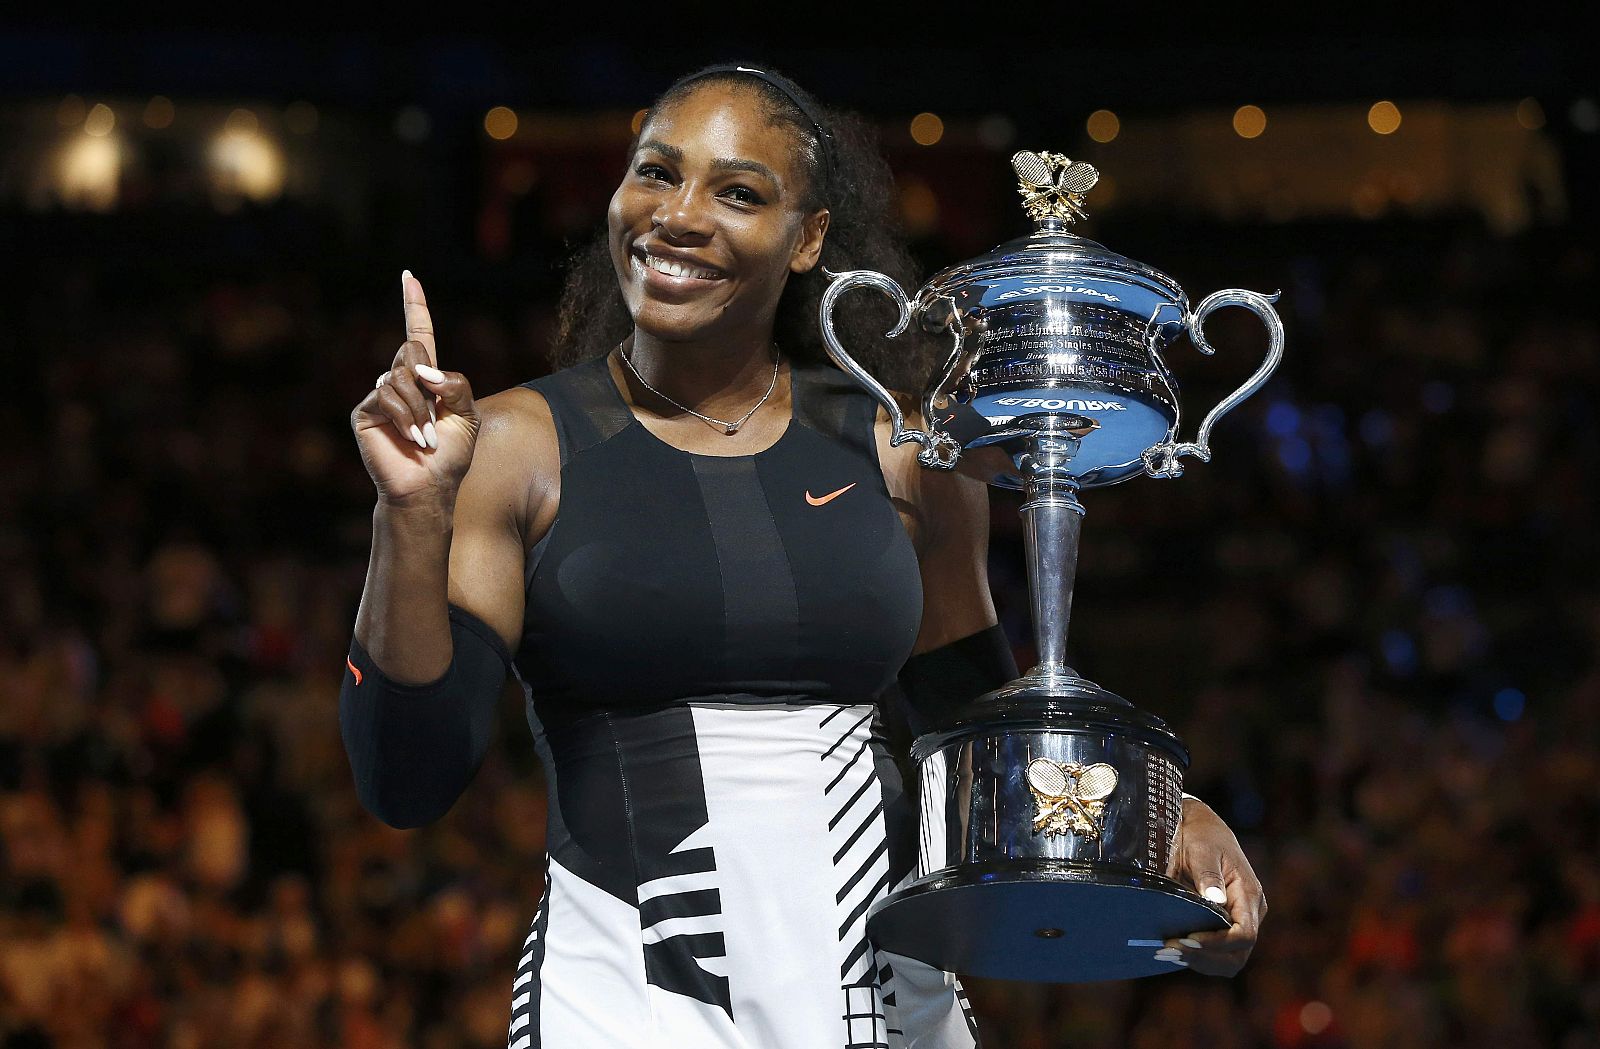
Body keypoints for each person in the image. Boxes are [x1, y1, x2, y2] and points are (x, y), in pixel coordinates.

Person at [340, 63, 1266, 1049]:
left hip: (883, 1003)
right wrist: (410, 514)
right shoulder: (514, 448)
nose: (679, 216)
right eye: (657, 172)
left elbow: (969, 728)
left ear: (809, 237)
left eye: (738, 192)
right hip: (626, 1003)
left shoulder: (904, 447)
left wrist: (1165, 815)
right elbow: (407, 779)